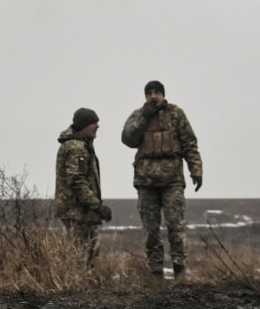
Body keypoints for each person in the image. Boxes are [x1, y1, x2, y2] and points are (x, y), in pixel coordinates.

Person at [121, 80, 203, 280]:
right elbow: (128, 139)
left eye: (157, 92)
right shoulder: (138, 115)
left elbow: (189, 143)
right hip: (146, 181)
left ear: (163, 95)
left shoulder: (176, 114)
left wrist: (196, 170)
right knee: (151, 230)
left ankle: (180, 271)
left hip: (172, 180)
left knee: (176, 225)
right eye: (149, 93)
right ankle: (156, 273)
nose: (153, 96)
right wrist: (144, 118)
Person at [54, 107, 113, 268]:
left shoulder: (81, 146)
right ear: (84, 125)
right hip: (77, 211)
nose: (97, 126)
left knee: (90, 250)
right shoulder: (76, 148)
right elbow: (76, 181)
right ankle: (76, 287)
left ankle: (84, 286)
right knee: (81, 253)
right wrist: (97, 206)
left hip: (82, 211)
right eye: (94, 123)